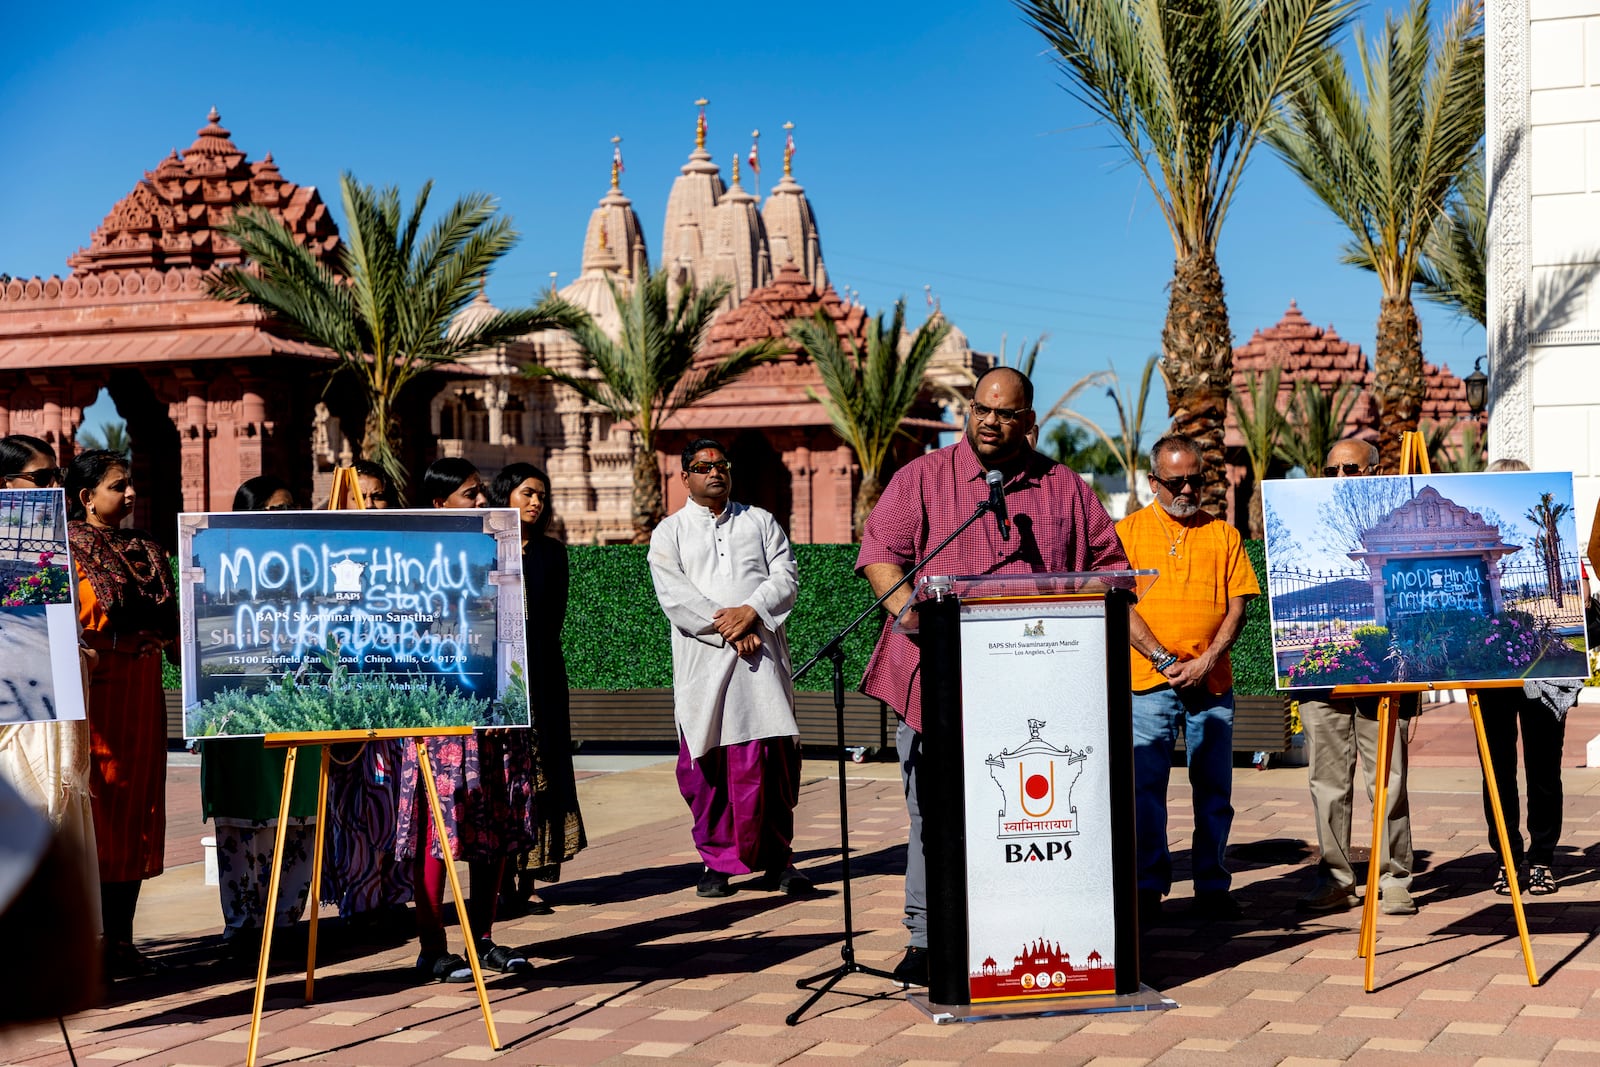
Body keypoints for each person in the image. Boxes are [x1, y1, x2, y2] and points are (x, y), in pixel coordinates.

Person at [857, 367, 1129, 986]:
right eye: (981, 409)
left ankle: (1034, 922)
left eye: (1006, 414)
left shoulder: (1064, 488)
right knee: (934, 812)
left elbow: (1111, 569)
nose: (989, 421)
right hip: (937, 678)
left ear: (1029, 422)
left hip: (1036, 688)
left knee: (1031, 815)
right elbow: (880, 553)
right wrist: (910, 614)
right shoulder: (923, 477)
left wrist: (1071, 602)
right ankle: (927, 937)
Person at [647, 438, 810, 899]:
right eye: (702, 467)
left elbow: (786, 577)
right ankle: (716, 864)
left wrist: (752, 610)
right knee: (709, 767)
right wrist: (731, 626)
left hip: (761, 665)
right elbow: (674, 595)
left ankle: (778, 862)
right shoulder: (669, 532)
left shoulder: (759, 521)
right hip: (705, 663)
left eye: (721, 465)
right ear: (685, 478)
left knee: (770, 765)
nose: (714, 473)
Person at [392, 457, 534, 981]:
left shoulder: (499, 549)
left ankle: (484, 939)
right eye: (470, 494)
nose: (481, 501)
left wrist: (508, 699)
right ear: (439, 503)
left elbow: (513, 633)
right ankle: (433, 947)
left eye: (481, 493)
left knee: (491, 825)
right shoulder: (411, 560)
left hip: (496, 717)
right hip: (441, 718)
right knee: (440, 829)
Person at [1120, 433, 1259, 924]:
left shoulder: (1224, 535)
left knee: (1214, 791)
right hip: (1146, 683)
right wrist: (1162, 659)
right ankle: (1147, 886)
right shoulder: (1125, 534)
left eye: (1194, 480)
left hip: (1212, 684)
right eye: (1174, 481)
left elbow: (1238, 605)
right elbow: (1121, 607)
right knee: (1144, 790)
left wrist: (1205, 661)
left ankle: (1212, 884)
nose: (1185, 489)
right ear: (1152, 481)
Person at [65, 449, 180, 976]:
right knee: (95, 810)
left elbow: (173, 623)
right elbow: (63, 630)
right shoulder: (63, 551)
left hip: (141, 696)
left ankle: (122, 941)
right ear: (87, 497)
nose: (130, 493)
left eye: (131, 483)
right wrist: (112, 644)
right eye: (118, 486)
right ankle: (85, 941)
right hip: (93, 698)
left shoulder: (147, 549)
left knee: (135, 811)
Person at [198, 476, 322, 957]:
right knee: (240, 822)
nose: (283, 516)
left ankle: (286, 923)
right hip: (238, 718)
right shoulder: (217, 571)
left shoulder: (315, 573)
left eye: (290, 507)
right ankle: (242, 923)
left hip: (299, 713)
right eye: (273, 508)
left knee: (297, 821)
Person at [1297, 438, 1417, 915]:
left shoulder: (1399, 516)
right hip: (1321, 678)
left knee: (1388, 779)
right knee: (1326, 781)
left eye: (1351, 469)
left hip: (1387, 673)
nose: (1341, 478)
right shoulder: (1309, 518)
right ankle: (1336, 877)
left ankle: (1396, 879)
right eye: (1332, 472)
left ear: (1375, 471)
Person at [0, 436, 102, 946]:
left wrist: (78, 654)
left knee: (53, 809)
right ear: (5, 486)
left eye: (57, 478)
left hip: (49, 712)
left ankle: (47, 948)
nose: (55, 489)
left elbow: (59, 632)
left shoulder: (44, 543)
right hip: (8, 716)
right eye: (42, 480)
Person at [1477, 458, 1581, 895]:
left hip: (1547, 678)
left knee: (1543, 769)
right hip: (1491, 676)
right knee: (1496, 770)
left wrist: (1584, 599)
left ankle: (1541, 859)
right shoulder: (1479, 549)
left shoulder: (1556, 543)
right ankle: (1506, 858)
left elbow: (1586, 622)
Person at [489, 463, 586, 916]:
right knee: (499, 777)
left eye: (541, 496)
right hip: (491, 677)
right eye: (527, 493)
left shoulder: (552, 553)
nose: (535, 502)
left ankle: (526, 879)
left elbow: (551, 623)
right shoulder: (481, 550)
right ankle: (497, 880)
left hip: (543, 675)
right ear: (504, 494)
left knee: (540, 774)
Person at [319, 458, 413, 929]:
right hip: (346, 709)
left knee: (397, 801)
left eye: (379, 496)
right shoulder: (322, 559)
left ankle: (394, 897)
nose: (372, 504)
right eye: (363, 495)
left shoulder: (404, 559)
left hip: (397, 703)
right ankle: (360, 904)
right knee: (354, 806)